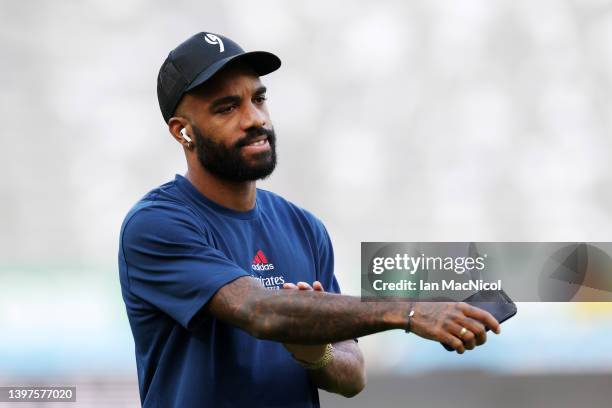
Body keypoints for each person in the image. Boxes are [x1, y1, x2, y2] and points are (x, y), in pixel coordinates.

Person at [118, 32, 501, 408]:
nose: (254, 119)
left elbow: (352, 377)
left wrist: (314, 352)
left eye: (259, 98)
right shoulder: (155, 225)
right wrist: (409, 311)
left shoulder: (303, 226)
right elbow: (259, 311)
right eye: (227, 107)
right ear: (182, 131)